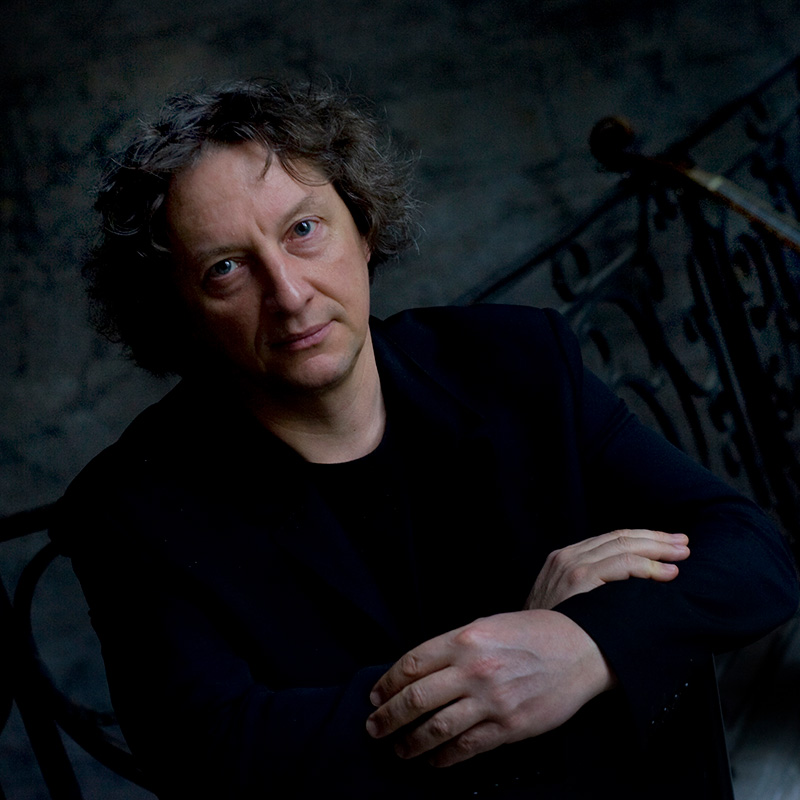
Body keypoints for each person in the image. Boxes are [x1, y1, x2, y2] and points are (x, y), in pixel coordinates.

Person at [52, 80, 799, 800]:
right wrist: (512, 658)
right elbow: (215, 765)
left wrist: (582, 645)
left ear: (364, 227)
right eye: (225, 268)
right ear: (178, 313)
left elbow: (753, 553)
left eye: (303, 230)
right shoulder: (128, 512)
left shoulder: (518, 361)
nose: (289, 293)